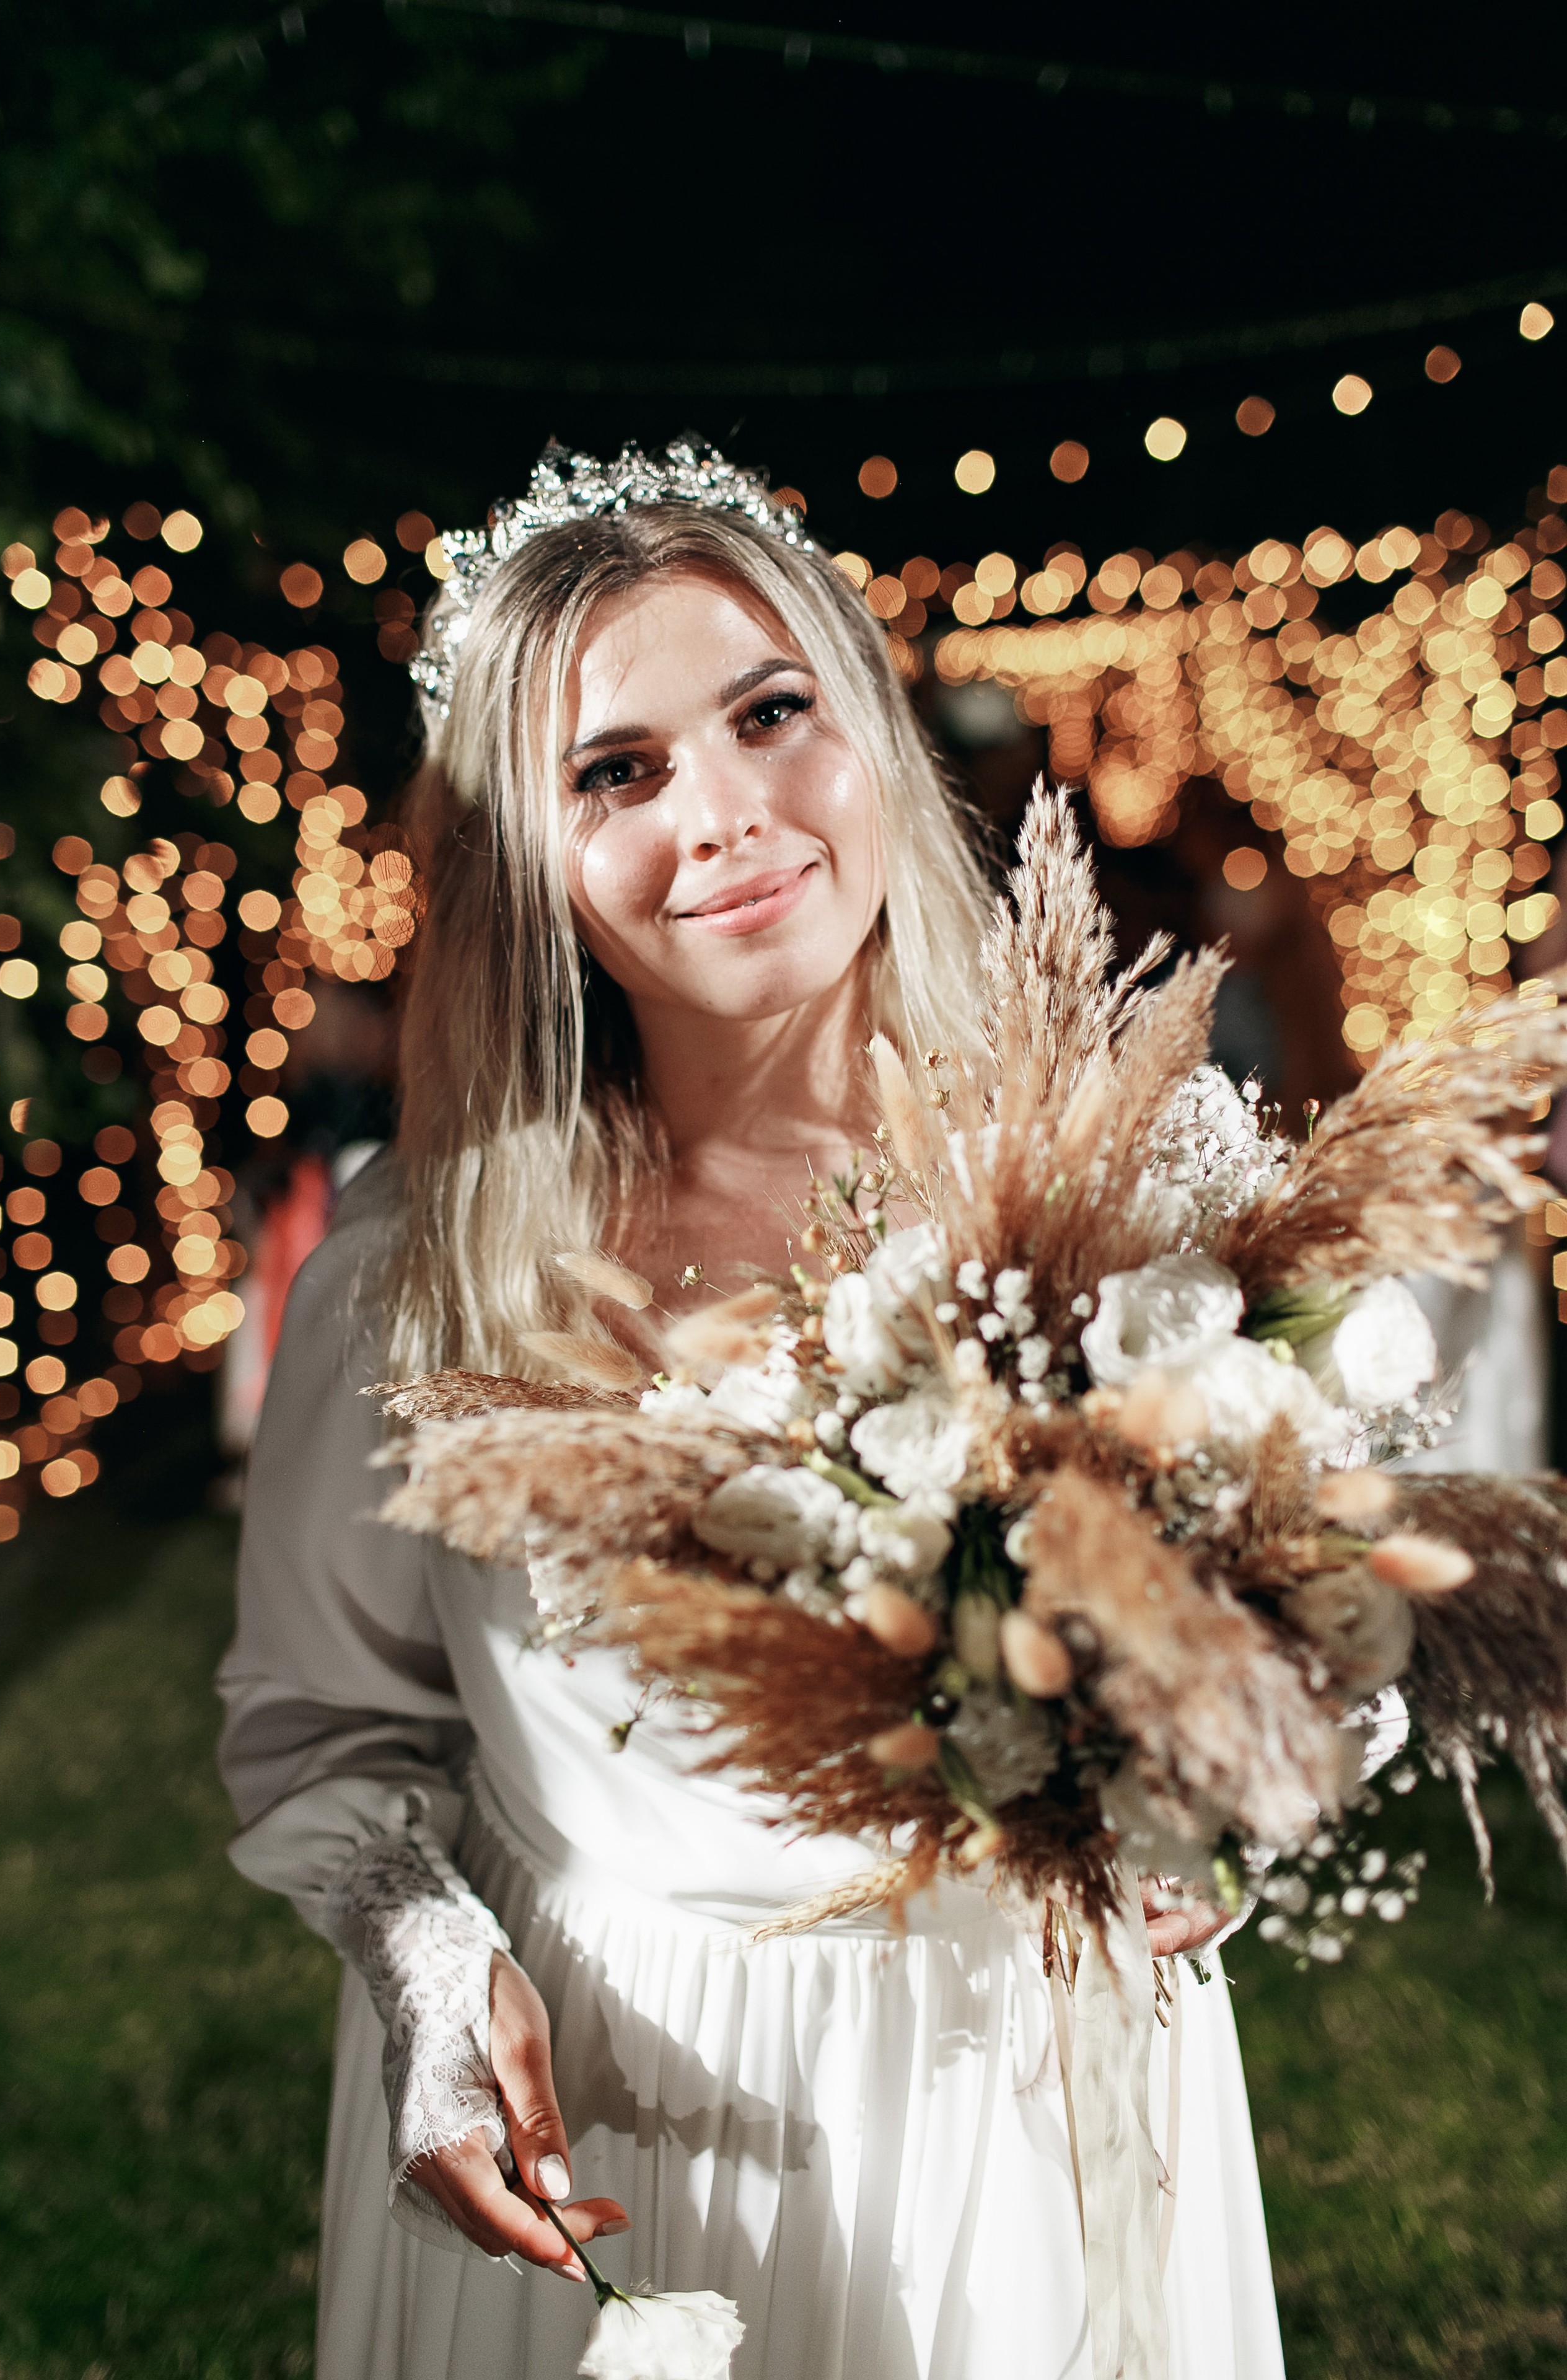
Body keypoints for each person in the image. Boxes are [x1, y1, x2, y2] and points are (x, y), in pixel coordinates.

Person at [218, 441, 1286, 2380]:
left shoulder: (1146, 1176)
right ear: (522, 857)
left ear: (865, 726)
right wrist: (435, 1966)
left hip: (1033, 2116)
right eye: (612, 772)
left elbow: (1316, 1617)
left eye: (771, 713)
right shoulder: (416, 1262)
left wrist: (1212, 1794)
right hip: (629, 2129)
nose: (722, 817)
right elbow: (324, 1728)